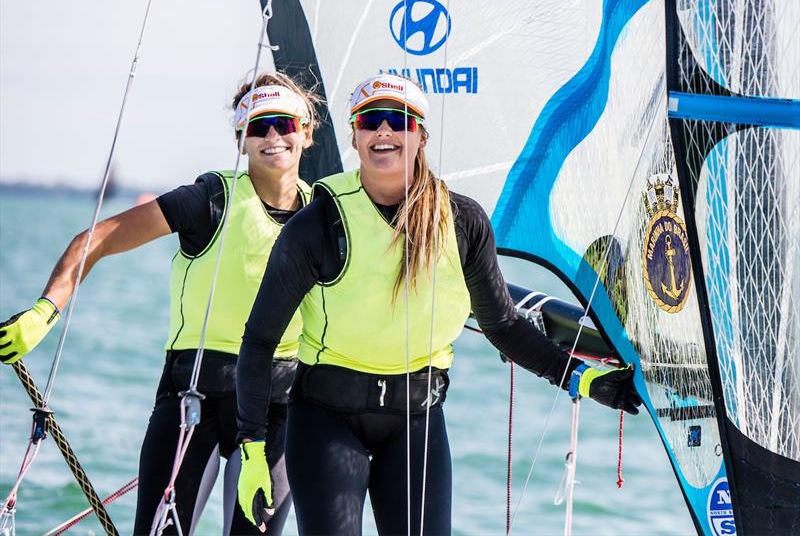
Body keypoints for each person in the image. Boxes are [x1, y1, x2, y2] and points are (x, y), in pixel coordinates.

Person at [235, 73, 642, 534]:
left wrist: (584, 380)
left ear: (421, 135)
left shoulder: (462, 220)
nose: (384, 131)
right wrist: (252, 449)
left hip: (416, 420)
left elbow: (503, 326)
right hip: (325, 417)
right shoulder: (317, 224)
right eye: (371, 120)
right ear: (354, 134)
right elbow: (260, 339)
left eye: (398, 119)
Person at [0, 72, 320, 535]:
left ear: (306, 134)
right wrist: (44, 312)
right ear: (240, 137)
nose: (272, 136)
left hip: (279, 407)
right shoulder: (209, 199)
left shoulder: (324, 216)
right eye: (258, 125)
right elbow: (97, 240)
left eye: (284, 124)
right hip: (195, 395)